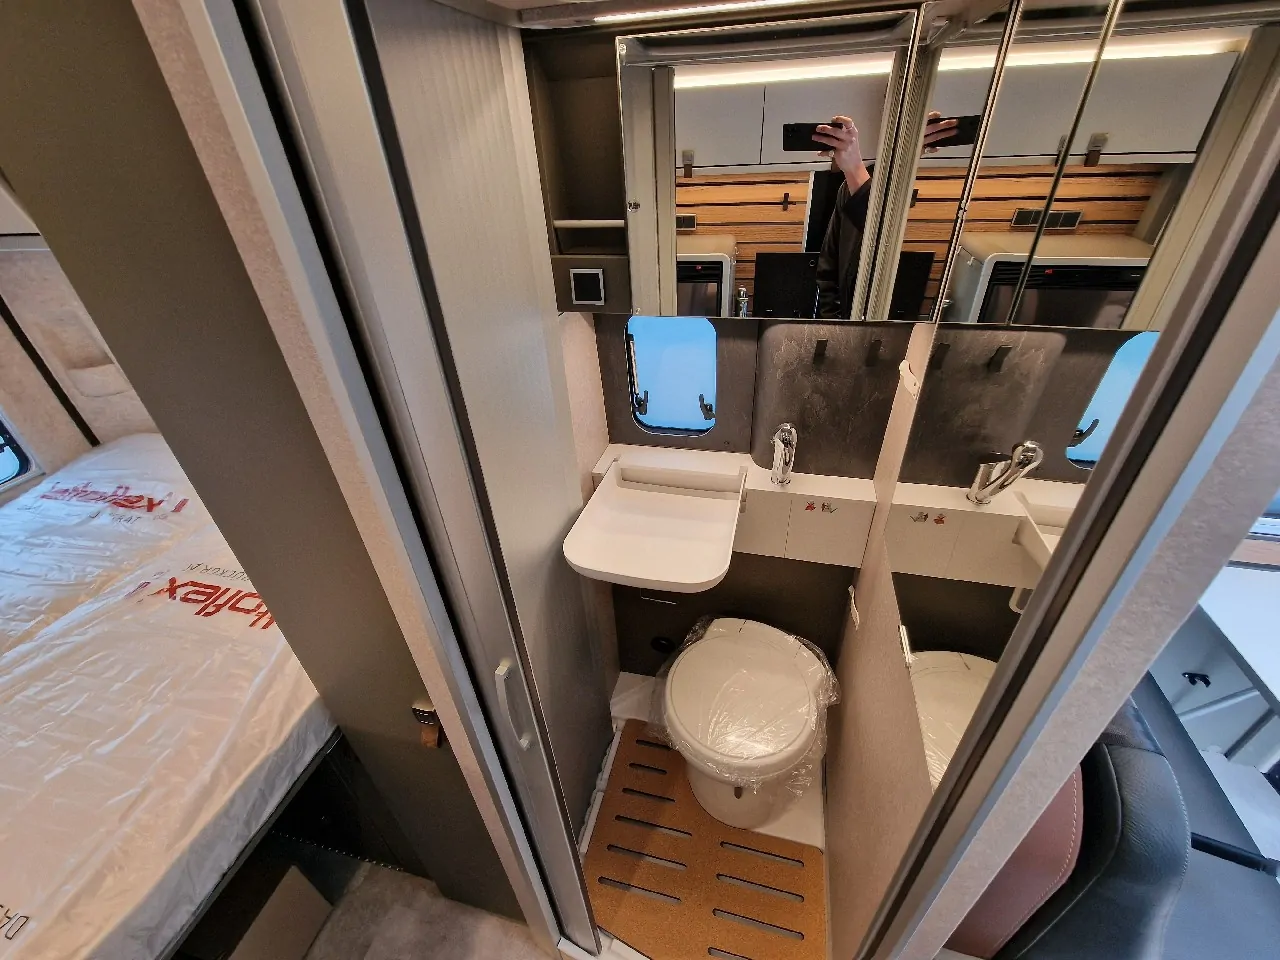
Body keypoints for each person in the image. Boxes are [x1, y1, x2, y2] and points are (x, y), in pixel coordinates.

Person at [813, 112, 957, 319]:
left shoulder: (911, 199)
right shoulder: (848, 191)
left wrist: (855, 168)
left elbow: (882, 244)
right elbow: (828, 271)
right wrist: (833, 324)